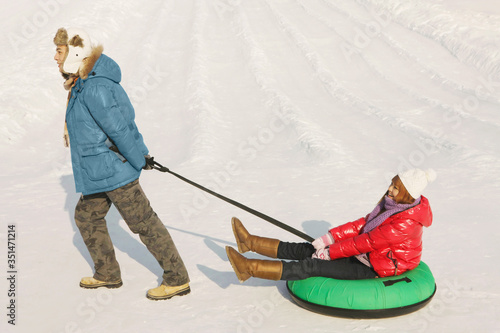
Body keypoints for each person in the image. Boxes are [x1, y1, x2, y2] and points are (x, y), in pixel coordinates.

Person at [53, 27, 190, 300]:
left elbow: (120, 129)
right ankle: (107, 274)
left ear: (74, 54)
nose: (55, 58)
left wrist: (139, 159)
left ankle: (177, 279)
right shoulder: (85, 83)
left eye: (59, 51)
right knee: (87, 216)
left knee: (144, 223)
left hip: (111, 170)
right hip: (98, 171)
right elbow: (126, 122)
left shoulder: (94, 87)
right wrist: (142, 154)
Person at [226, 168, 436, 282]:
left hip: (377, 265)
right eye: (391, 184)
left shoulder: (405, 222)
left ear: (407, 195)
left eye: (396, 188)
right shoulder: (391, 206)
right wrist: (330, 239)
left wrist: (330, 252)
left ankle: (248, 268)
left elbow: (367, 241)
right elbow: (362, 225)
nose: (390, 190)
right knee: (306, 249)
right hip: (366, 254)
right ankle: (249, 242)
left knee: (313, 264)